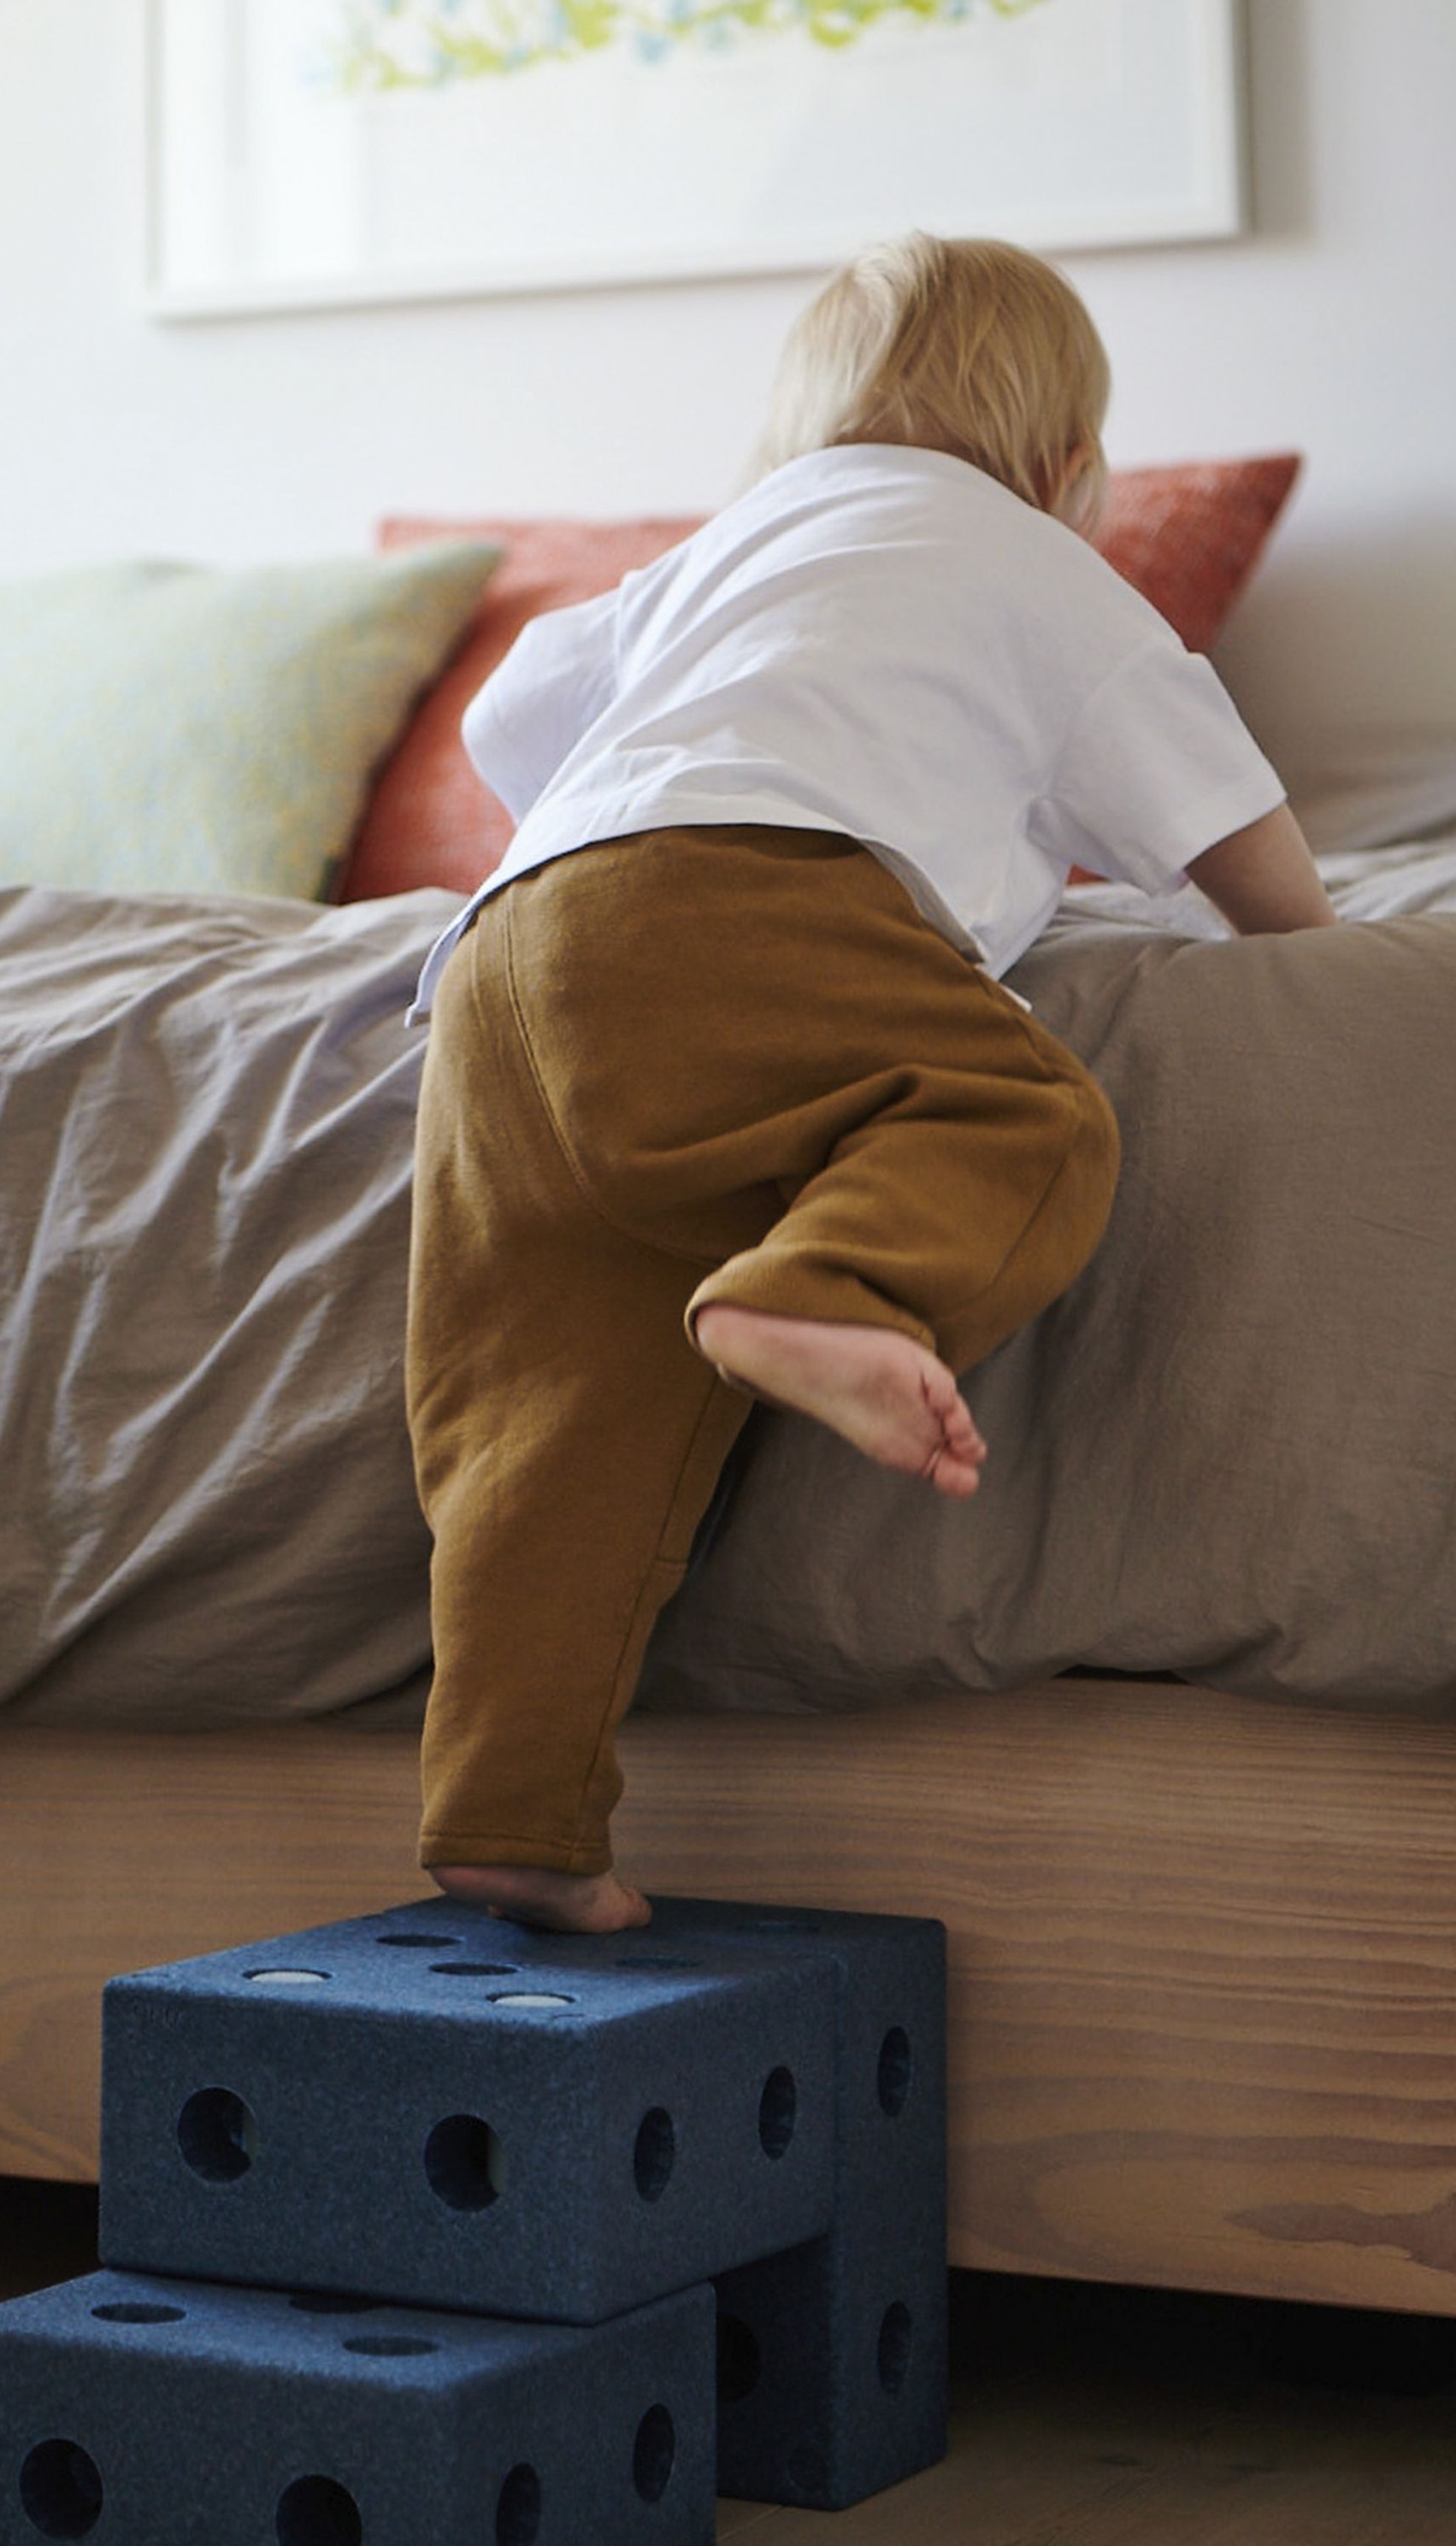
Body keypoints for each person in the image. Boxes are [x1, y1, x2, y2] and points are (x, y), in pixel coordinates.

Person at [403, 232, 1335, 1937]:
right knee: (1017, 1114)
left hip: (501, 964)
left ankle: (507, 1813)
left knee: (536, 1422)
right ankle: (823, 1286)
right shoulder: (1042, 568)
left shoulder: (721, 551)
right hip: (754, 905)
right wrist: (1309, 929)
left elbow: (509, 716)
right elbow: (1226, 826)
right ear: (1070, 473)